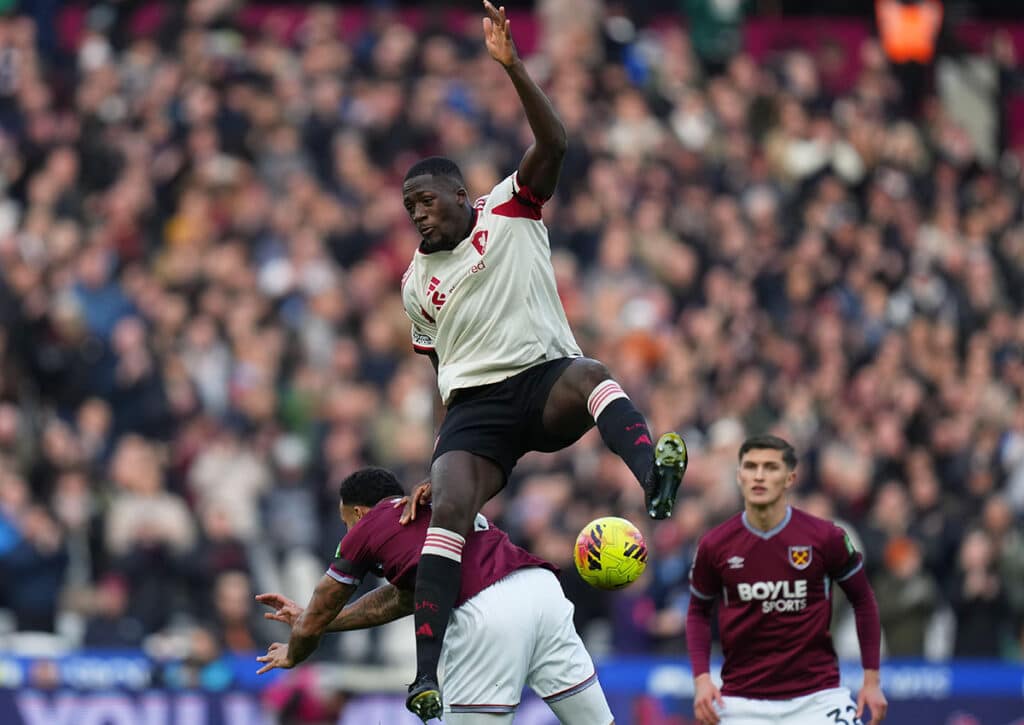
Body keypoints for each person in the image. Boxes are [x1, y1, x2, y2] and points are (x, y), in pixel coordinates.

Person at [398, 2, 687, 719]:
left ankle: (654, 480)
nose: (418, 215)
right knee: (449, 510)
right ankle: (425, 674)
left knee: (592, 375)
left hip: (543, 381)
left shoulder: (509, 208)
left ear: (460, 194)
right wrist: (439, 454)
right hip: (475, 410)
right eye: (409, 209)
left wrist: (513, 67)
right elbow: (439, 371)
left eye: (426, 201)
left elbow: (555, 141)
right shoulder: (415, 283)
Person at [254, 467, 616, 725]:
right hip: (540, 590)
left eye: (346, 520)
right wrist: (321, 623)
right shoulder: (436, 506)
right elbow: (400, 600)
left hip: (486, 610)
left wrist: (296, 647)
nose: (347, 529)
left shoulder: (367, 527)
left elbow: (319, 611)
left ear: (359, 512)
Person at [686, 435, 888, 725]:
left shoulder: (826, 537)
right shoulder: (715, 545)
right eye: (751, 466)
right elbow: (698, 611)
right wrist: (702, 680)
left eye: (770, 467)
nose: (759, 476)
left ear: (790, 478)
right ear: (739, 476)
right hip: (742, 702)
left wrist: (871, 680)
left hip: (818, 699)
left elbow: (863, 600)